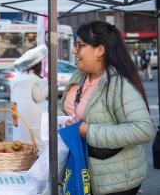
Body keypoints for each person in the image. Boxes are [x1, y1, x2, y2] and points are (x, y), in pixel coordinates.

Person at [58, 21, 153, 195]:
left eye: (79, 46)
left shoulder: (119, 85)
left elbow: (144, 129)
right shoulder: (80, 75)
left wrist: (89, 131)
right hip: (82, 170)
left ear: (99, 50)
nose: (74, 51)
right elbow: (65, 106)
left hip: (115, 183)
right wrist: (61, 119)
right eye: (74, 45)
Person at [10, 45, 48, 151]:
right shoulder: (32, 79)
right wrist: (51, 85)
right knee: (35, 148)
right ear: (37, 66)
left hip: (19, 123)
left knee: (22, 148)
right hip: (33, 126)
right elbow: (39, 97)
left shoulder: (17, 79)